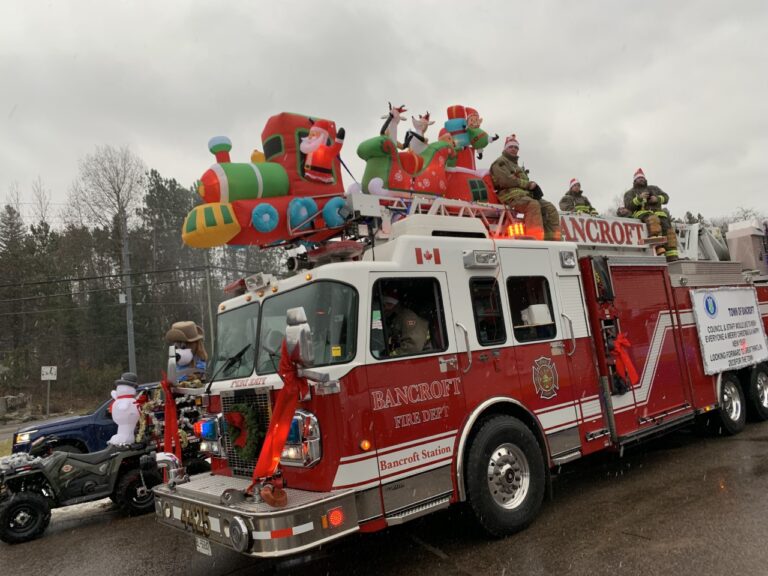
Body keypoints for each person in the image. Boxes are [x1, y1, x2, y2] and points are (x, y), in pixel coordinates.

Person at [490, 134, 561, 240]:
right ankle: (536, 239)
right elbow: (505, 180)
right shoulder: (500, 162)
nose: (514, 149)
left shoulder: (517, 166)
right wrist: (528, 185)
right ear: (505, 148)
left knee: (550, 208)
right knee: (533, 205)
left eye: (516, 147)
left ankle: (553, 240)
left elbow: (523, 182)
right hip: (509, 196)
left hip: (523, 196)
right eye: (511, 147)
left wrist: (533, 186)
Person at [622, 168, 679, 261]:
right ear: (634, 180)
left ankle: (672, 256)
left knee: (669, 231)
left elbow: (666, 197)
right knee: (653, 220)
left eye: (642, 178)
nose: (641, 179)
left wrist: (657, 199)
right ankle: (658, 247)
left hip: (660, 215)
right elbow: (628, 206)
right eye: (639, 178)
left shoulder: (654, 189)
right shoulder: (630, 193)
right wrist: (639, 199)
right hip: (643, 214)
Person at [381, 290, 429, 356]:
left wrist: (390, 356)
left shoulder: (407, 317)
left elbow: (413, 347)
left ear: (390, 304)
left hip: (418, 360)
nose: (383, 308)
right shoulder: (393, 317)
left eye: (384, 305)